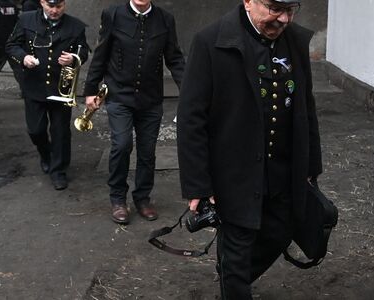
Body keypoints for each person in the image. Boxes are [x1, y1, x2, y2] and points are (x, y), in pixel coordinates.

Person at [177, 0, 321, 298]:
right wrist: (197, 185)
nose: (283, 19)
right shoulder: (210, 42)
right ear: (248, 1)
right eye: (274, 8)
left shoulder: (294, 40)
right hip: (234, 175)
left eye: (291, 9)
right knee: (238, 245)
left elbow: (306, 107)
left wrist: (310, 169)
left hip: (283, 171)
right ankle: (234, 279)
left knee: (281, 232)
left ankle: (232, 272)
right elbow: (191, 119)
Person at [83, 0, 185, 224]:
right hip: (119, 95)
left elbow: (175, 58)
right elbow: (101, 53)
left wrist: (188, 93)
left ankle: (142, 198)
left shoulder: (165, 19)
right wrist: (90, 90)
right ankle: (118, 199)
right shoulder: (113, 14)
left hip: (150, 98)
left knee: (147, 151)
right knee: (121, 144)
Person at [6, 0, 89, 190]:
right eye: (50, 6)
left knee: (60, 132)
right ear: (42, 2)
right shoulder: (26, 20)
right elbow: (11, 45)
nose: (54, 11)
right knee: (36, 130)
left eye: (59, 6)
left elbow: (83, 50)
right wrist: (23, 57)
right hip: (34, 85)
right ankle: (45, 154)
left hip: (61, 88)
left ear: (64, 5)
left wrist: (74, 58)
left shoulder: (75, 26)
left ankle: (58, 170)